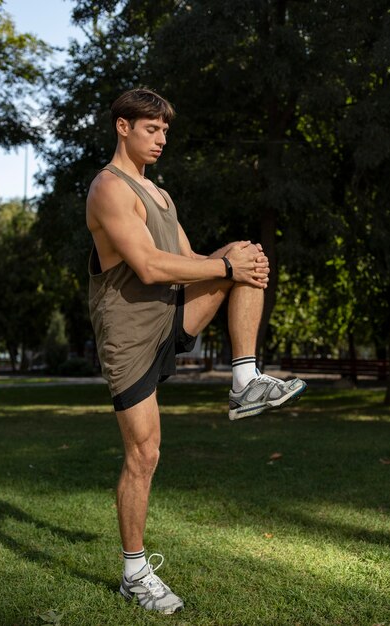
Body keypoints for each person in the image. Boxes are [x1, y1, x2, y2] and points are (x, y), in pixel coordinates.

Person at [86, 88, 306, 615]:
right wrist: (225, 271)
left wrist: (235, 268)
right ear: (122, 127)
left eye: (165, 130)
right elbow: (150, 267)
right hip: (129, 336)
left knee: (245, 253)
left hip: (171, 314)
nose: (162, 139)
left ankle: (244, 380)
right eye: (151, 129)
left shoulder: (160, 194)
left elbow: (191, 260)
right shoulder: (108, 189)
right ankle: (135, 573)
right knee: (145, 454)